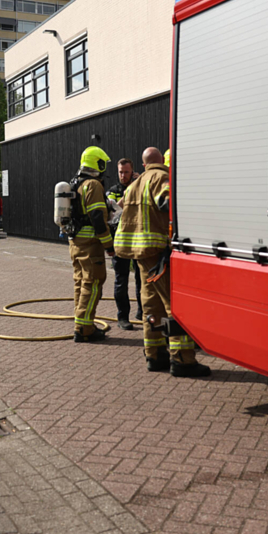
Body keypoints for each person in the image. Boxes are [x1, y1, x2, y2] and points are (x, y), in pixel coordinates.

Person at [114, 147, 210, 377]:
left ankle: (155, 355)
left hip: (140, 255)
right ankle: (182, 360)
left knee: (151, 305)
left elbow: (119, 210)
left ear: (144, 164)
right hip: (158, 254)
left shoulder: (135, 184)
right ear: (161, 162)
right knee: (175, 305)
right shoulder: (161, 177)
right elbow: (169, 205)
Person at [68, 146, 116, 343]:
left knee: (80, 283)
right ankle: (85, 329)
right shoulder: (93, 185)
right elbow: (97, 218)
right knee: (93, 283)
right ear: (99, 163)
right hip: (90, 245)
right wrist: (109, 246)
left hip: (76, 243)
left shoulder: (75, 183)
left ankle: (81, 323)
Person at [107, 158, 142, 330]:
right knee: (121, 280)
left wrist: (140, 183)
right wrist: (129, 190)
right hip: (120, 242)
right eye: (120, 172)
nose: (123, 175)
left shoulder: (140, 186)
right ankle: (123, 317)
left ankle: (142, 312)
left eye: (126, 172)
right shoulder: (113, 191)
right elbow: (112, 213)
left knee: (141, 279)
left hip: (138, 240)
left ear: (132, 171)